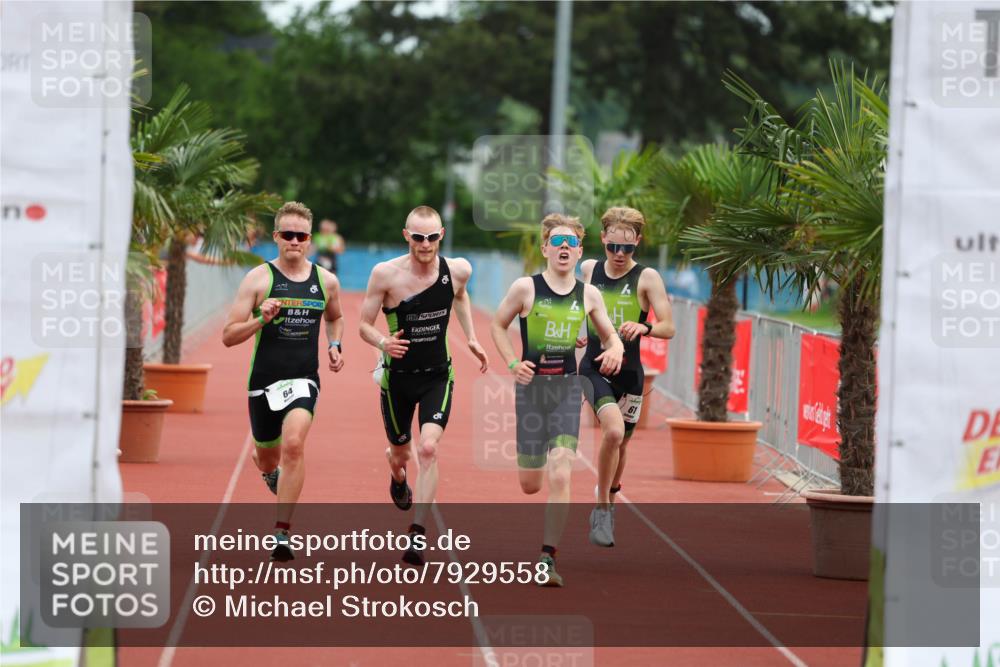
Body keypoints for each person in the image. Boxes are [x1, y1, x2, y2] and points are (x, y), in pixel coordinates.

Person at [491, 213, 623, 587]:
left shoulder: (589, 294)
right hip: (531, 392)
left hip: (566, 388)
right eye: (557, 242)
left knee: (562, 467)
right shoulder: (525, 288)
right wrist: (513, 363)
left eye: (571, 244)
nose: (564, 249)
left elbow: (610, 337)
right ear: (546, 247)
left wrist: (613, 349)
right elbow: (497, 325)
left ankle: (547, 559)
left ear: (580, 251)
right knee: (530, 483)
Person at [358, 205, 489, 566]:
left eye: (432, 237)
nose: (425, 244)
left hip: (437, 376)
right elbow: (364, 325)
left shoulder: (457, 270)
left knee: (428, 449)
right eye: (418, 237)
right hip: (397, 380)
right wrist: (382, 343)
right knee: (401, 454)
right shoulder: (385, 275)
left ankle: (417, 532)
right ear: (406, 236)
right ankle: (396, 472)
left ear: (441, 235)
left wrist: (472, 337)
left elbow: (460, 296)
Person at [222, 201, 346, 562]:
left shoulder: (326, 281)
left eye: (301, 235)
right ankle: (269, 473)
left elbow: (335, 318)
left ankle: (281, 532)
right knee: (266, 459)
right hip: (263, 382)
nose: (295, 240)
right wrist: (261, 318)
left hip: (303, 379)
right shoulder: (259, 279)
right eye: (288, 234)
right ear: (276, 237)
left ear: (310, 239)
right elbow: (229, 336)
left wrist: (335, 345)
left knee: (294, 444)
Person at [577, 207, 675, 547]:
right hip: (593, 366)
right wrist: (579, 330)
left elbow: (669, 326)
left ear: (638, 244)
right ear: (603, 239)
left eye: (628, 249)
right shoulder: (589, 269)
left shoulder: (647, 278)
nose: (619, 255)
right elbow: (580, 305)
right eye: (613, 247)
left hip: (630, 373)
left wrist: (645, 326)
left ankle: (610, 499)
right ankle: (601, 509)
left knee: (623, 442)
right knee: (613, 432)